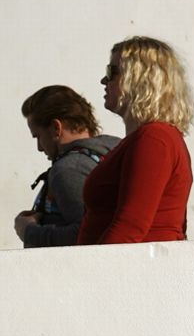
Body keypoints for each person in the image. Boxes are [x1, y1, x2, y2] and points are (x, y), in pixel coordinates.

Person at [78, 36, 194, 245]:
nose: (104, 81)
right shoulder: (148, 137)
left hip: (133, 263)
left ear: (140, 78)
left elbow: (130, 226)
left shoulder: (154, 139)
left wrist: (99, 264)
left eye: (111, 72)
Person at [14, 85, 120, 247]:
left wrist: (29, 231)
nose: (39, 147)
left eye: (38, 136)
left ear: (56, 128)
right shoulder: (115, 148)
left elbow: (87, 235)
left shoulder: (68, 169)